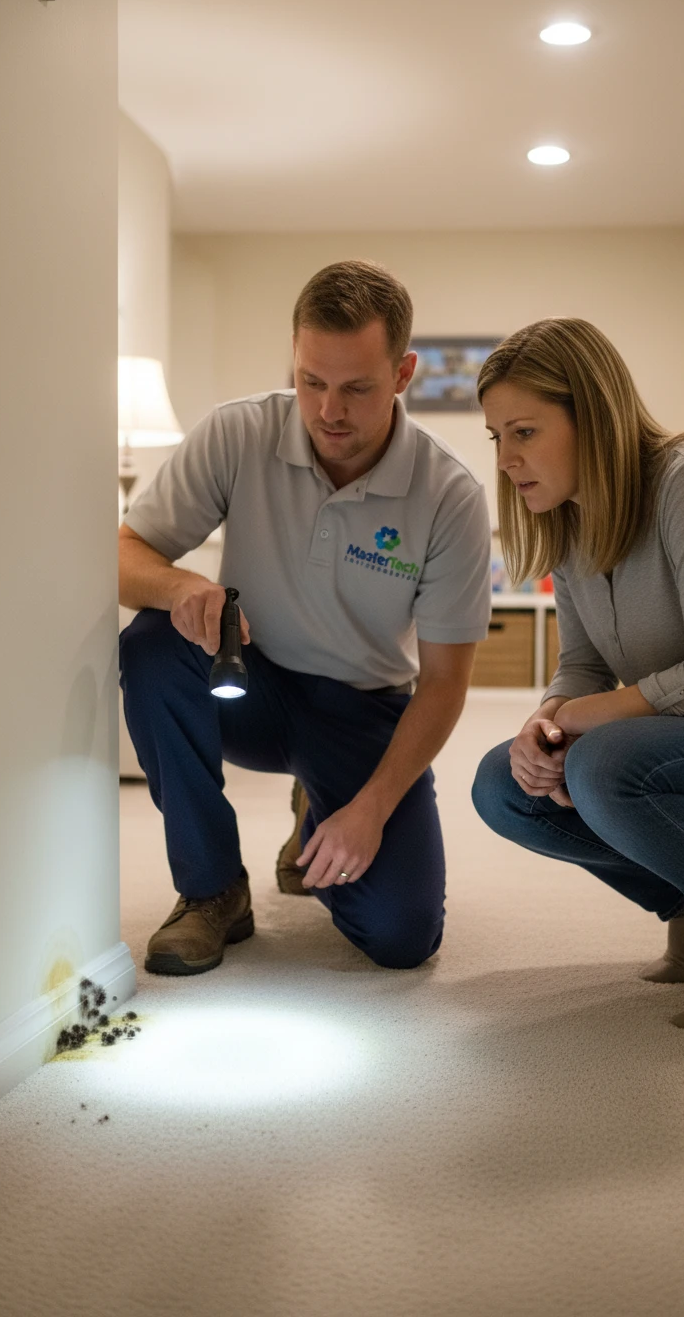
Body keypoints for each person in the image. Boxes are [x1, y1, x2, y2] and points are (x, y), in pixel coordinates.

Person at [119, 260, 491, 976]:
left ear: (404, 373)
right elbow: (125, 553)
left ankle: (316, 808)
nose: (328, 411)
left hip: (360, 708)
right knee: (151, 645)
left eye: (357, 387)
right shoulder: (236, 434)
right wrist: (179, 587)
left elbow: (444, 685)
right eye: (310, 381)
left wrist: (370, 808)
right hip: (246, 680)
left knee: (402, 936)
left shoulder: (451, 496)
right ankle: (212, 890)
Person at [471, 317, 684, 1036]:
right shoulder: (571, 520)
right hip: (681, 742)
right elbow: (584, 663)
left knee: (600, 763)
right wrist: (547, 722)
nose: (506, 457)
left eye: (523, 431)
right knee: (504, 784)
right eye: (496, 436)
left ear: (589, 413)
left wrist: (579, 726)